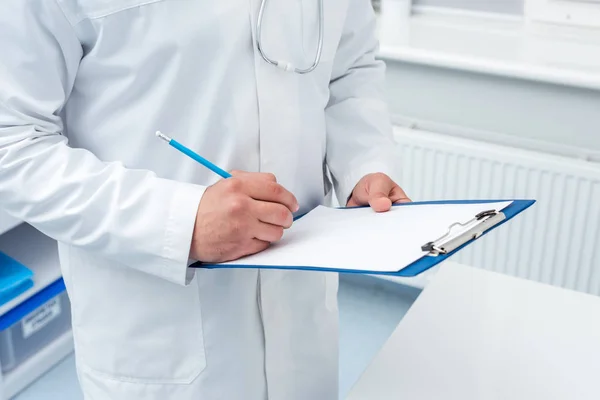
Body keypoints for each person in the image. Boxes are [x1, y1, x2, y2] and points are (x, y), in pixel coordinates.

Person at [0, 1, 409, 399]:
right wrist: (179, 221)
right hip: (162, 334)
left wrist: (364, 163)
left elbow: (349, 68)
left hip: (302, 319)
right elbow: (13, 145)